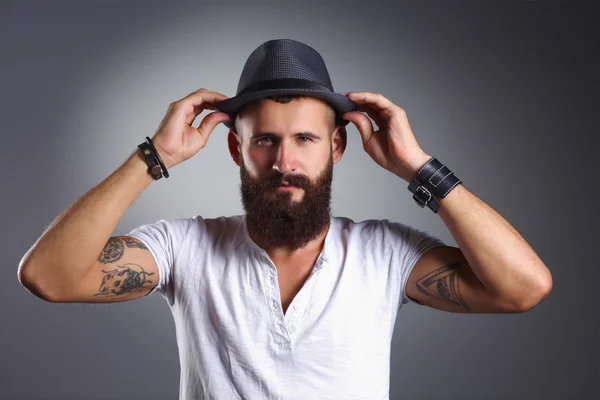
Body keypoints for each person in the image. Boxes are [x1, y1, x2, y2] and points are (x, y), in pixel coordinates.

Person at [18, 39, 552, 400]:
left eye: (305, 139)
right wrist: (154, 156)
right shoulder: (185, 246)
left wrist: (419, 168)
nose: (284, 163)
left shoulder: (385, 254)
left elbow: (523, 288)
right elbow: (49, 276)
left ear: (337, 146)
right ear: (236, 149)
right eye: (265, 140)